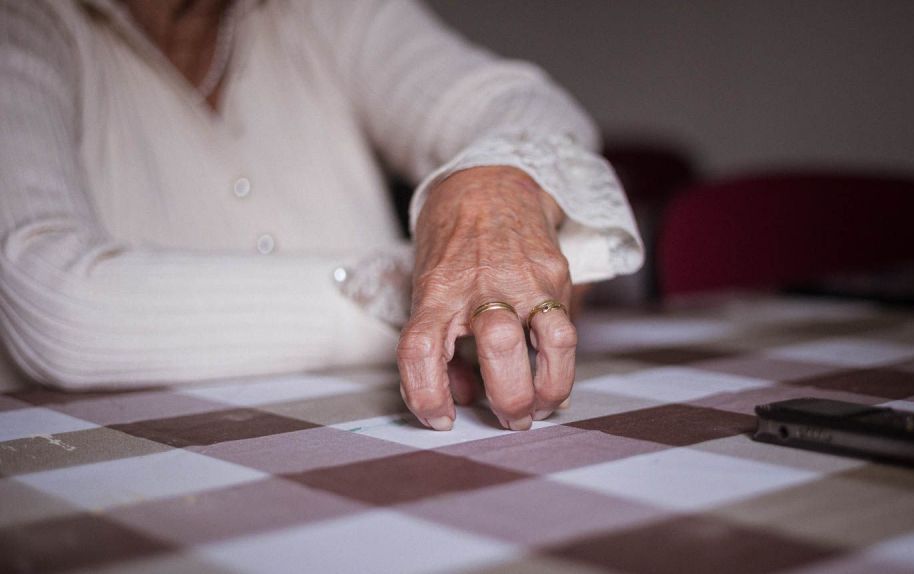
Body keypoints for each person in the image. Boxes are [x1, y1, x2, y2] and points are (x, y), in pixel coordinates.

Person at [0, 0, 642, 431]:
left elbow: (525, 105)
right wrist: (430, 291)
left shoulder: (325, 11)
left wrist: (492, 187)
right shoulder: (24, 23)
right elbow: (55, 306)